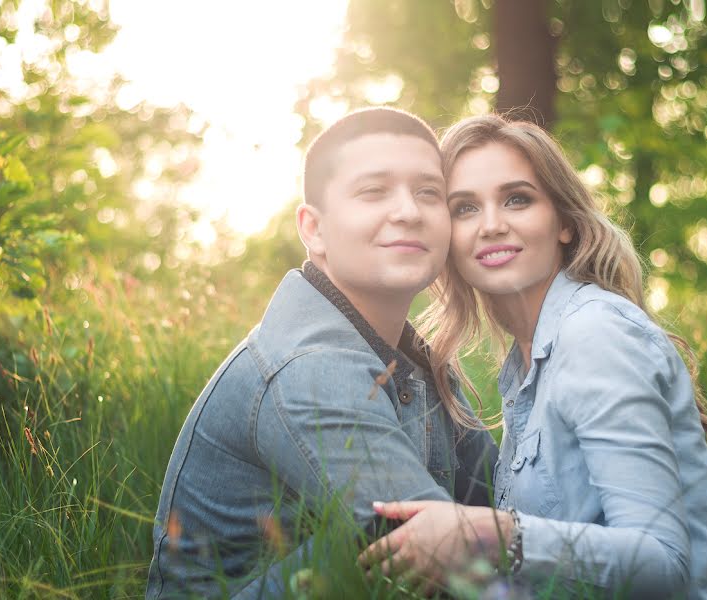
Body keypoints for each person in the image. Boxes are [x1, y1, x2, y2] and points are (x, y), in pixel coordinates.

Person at [360, 114, 707, 599]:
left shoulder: (595, 334)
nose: (492, 225)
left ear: (564, 222)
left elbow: (662, 564)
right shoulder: (526, 363)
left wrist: (488, 536)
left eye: (517, 199)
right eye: (464, 208)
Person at [145, 108, 497, 599]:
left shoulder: (416, 360)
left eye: (428, 193)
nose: (409, 212)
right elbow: (444, 554)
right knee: (395, 545)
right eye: (373, 192)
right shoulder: (310, 366)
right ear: (313, 229)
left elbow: (499, 503)